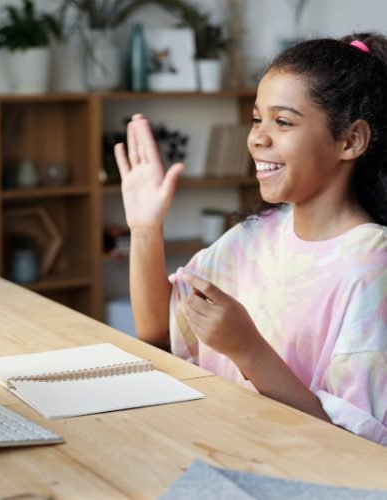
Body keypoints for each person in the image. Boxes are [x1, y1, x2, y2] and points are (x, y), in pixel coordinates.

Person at [114, 32, 387, 446]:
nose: (258, 137)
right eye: (257, 118)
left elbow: (354, 447)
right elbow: (158, 334)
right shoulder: (254, 236)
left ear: (350, 141)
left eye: (283, 122)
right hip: (225, 451)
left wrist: (248, 350)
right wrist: (145, 228)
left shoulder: (370, 266)